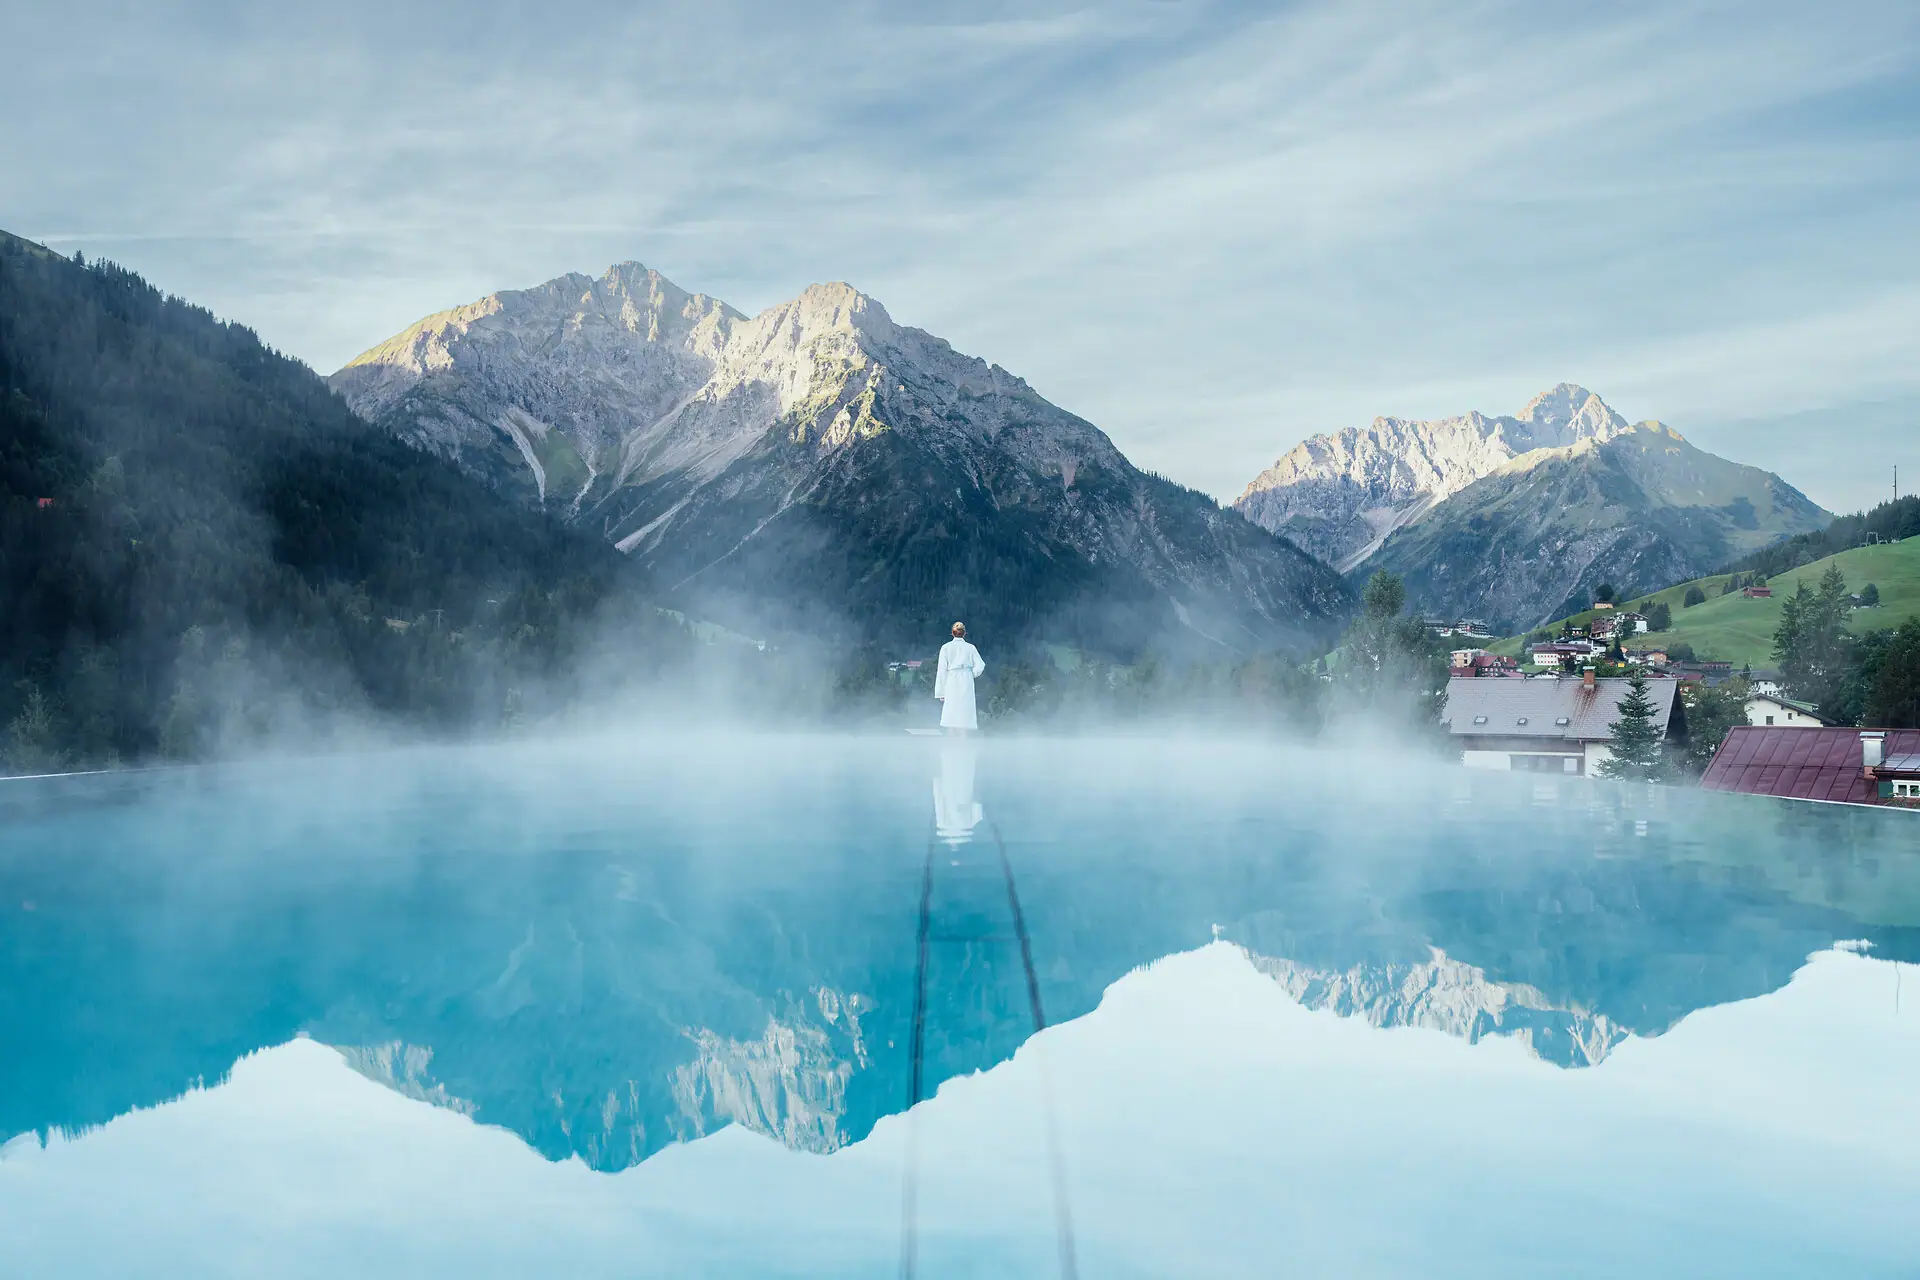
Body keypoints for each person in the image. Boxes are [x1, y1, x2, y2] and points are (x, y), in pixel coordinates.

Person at [933, 622, 985, 733]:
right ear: (964, 633)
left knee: (951, 714)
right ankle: (963, 743)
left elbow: (941, 671)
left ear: (952, 633)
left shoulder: (946, 648)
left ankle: (951, 743)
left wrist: (941, 692)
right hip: (966, 680)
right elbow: (980, 665)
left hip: (951, 680)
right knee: (964, 713)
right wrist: (971, 674)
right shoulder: (970, 648)